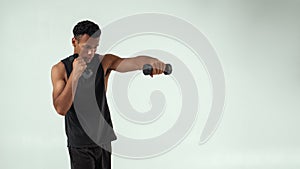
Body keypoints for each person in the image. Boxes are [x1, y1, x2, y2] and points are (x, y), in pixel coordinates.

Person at [50, 20, 166, 169]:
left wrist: (152, 61)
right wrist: (74, 76)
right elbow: (61, 109)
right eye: (86, 47)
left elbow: (133, 62)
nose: (91, 52)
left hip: (103, 141)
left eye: (95, 47)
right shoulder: (60, 69)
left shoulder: (103, 62)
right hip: (79, 144)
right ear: (74, 42)